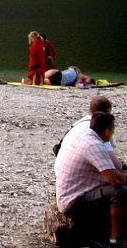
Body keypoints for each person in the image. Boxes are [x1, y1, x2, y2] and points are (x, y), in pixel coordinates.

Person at [54, 111, 127, 245]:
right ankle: (116, 240)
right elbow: (115, 180)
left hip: (72, 192)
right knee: (121, 192)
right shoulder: (94, 145)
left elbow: (114, 170)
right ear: (107, 131)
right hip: (74, 201)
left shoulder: (85, 138)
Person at [56, 96, 122, 167]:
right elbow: (115, 164)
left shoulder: (79, 124)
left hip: (61, 168)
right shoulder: (100, 127)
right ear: (109, 111)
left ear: (90, 109)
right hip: (79, 175)